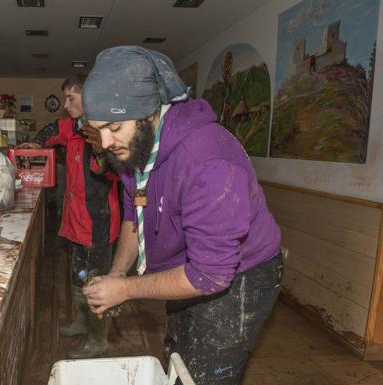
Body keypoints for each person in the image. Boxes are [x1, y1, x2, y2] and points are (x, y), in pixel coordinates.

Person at [81, 46, 283, 384]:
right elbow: (135, 213)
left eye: (114, 127)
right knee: (178, 358)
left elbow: (210, 276)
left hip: (240, 275)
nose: (104, 142)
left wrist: (127, 289)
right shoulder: (137, 146)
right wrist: (117, 274)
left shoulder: (208, 161)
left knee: (206, 373)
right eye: (96, 128)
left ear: (148, 113)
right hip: (188, 265)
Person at [19, 74, 120, 359]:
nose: (65, 104)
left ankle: (98, 339)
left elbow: (113, 171)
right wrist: (34, 143)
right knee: (77, 275)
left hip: (97, 223)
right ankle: (80, 322)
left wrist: (101, 151)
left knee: (96, 283)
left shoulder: (105, 132)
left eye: (71, 98)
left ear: (87, 98)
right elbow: (52, 129)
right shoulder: (73, 127)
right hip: (75, 220)